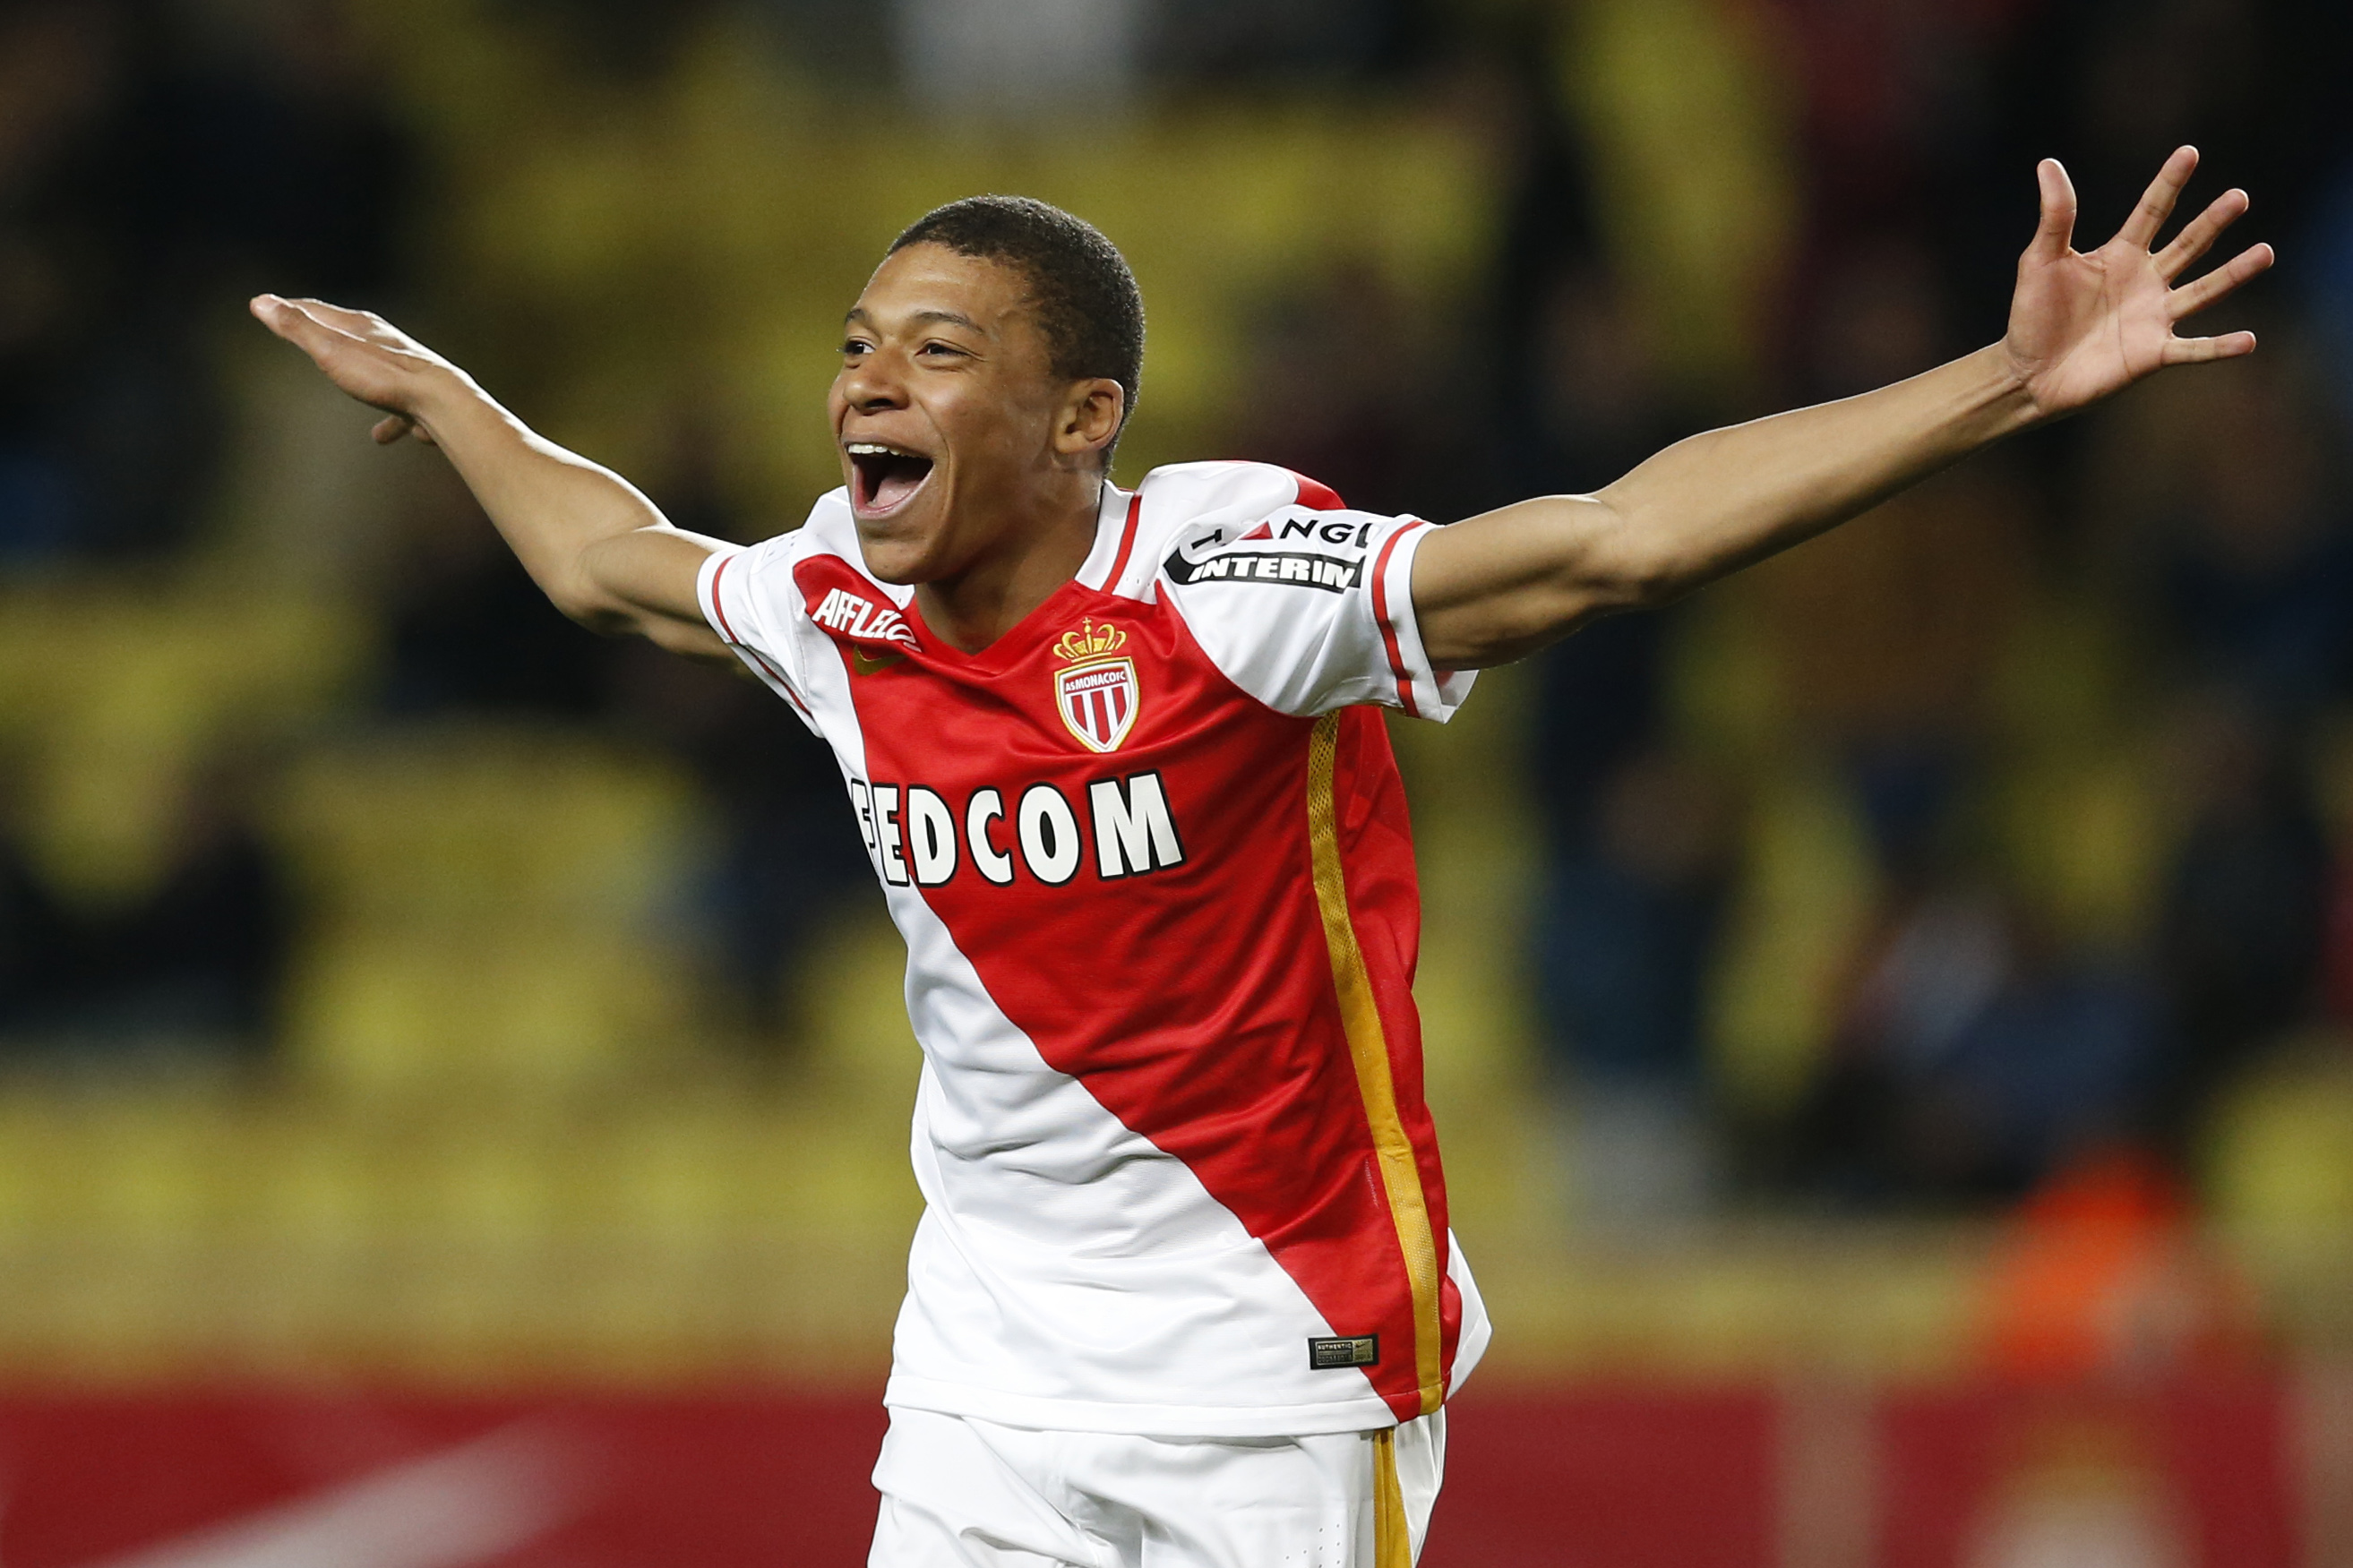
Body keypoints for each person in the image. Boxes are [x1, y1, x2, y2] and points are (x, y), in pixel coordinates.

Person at [250, 147, 2268, 1566]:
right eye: (861, 342)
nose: (868, 381)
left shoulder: (1226, 582)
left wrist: (2007, 380)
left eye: (938, 351)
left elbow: (1613, 538)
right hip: (986, 1366)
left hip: (1277, 1357)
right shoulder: (829, 601)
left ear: (1082, 417)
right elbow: (612, 562)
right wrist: (448, 393)